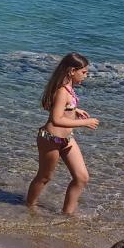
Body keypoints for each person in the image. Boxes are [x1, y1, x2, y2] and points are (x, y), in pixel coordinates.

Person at [26, 52, 98, 216]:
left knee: (82, 178)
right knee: (44, 177)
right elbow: (56, 119)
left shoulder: (68, 88)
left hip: (67, 139)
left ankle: (67, 216)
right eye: (84, 72)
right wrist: (84, 123)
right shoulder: (62, 91)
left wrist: (74, 110)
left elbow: (57, 107)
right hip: (50, 139)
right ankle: (29, 208)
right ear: (72, 71)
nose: (86, 76)